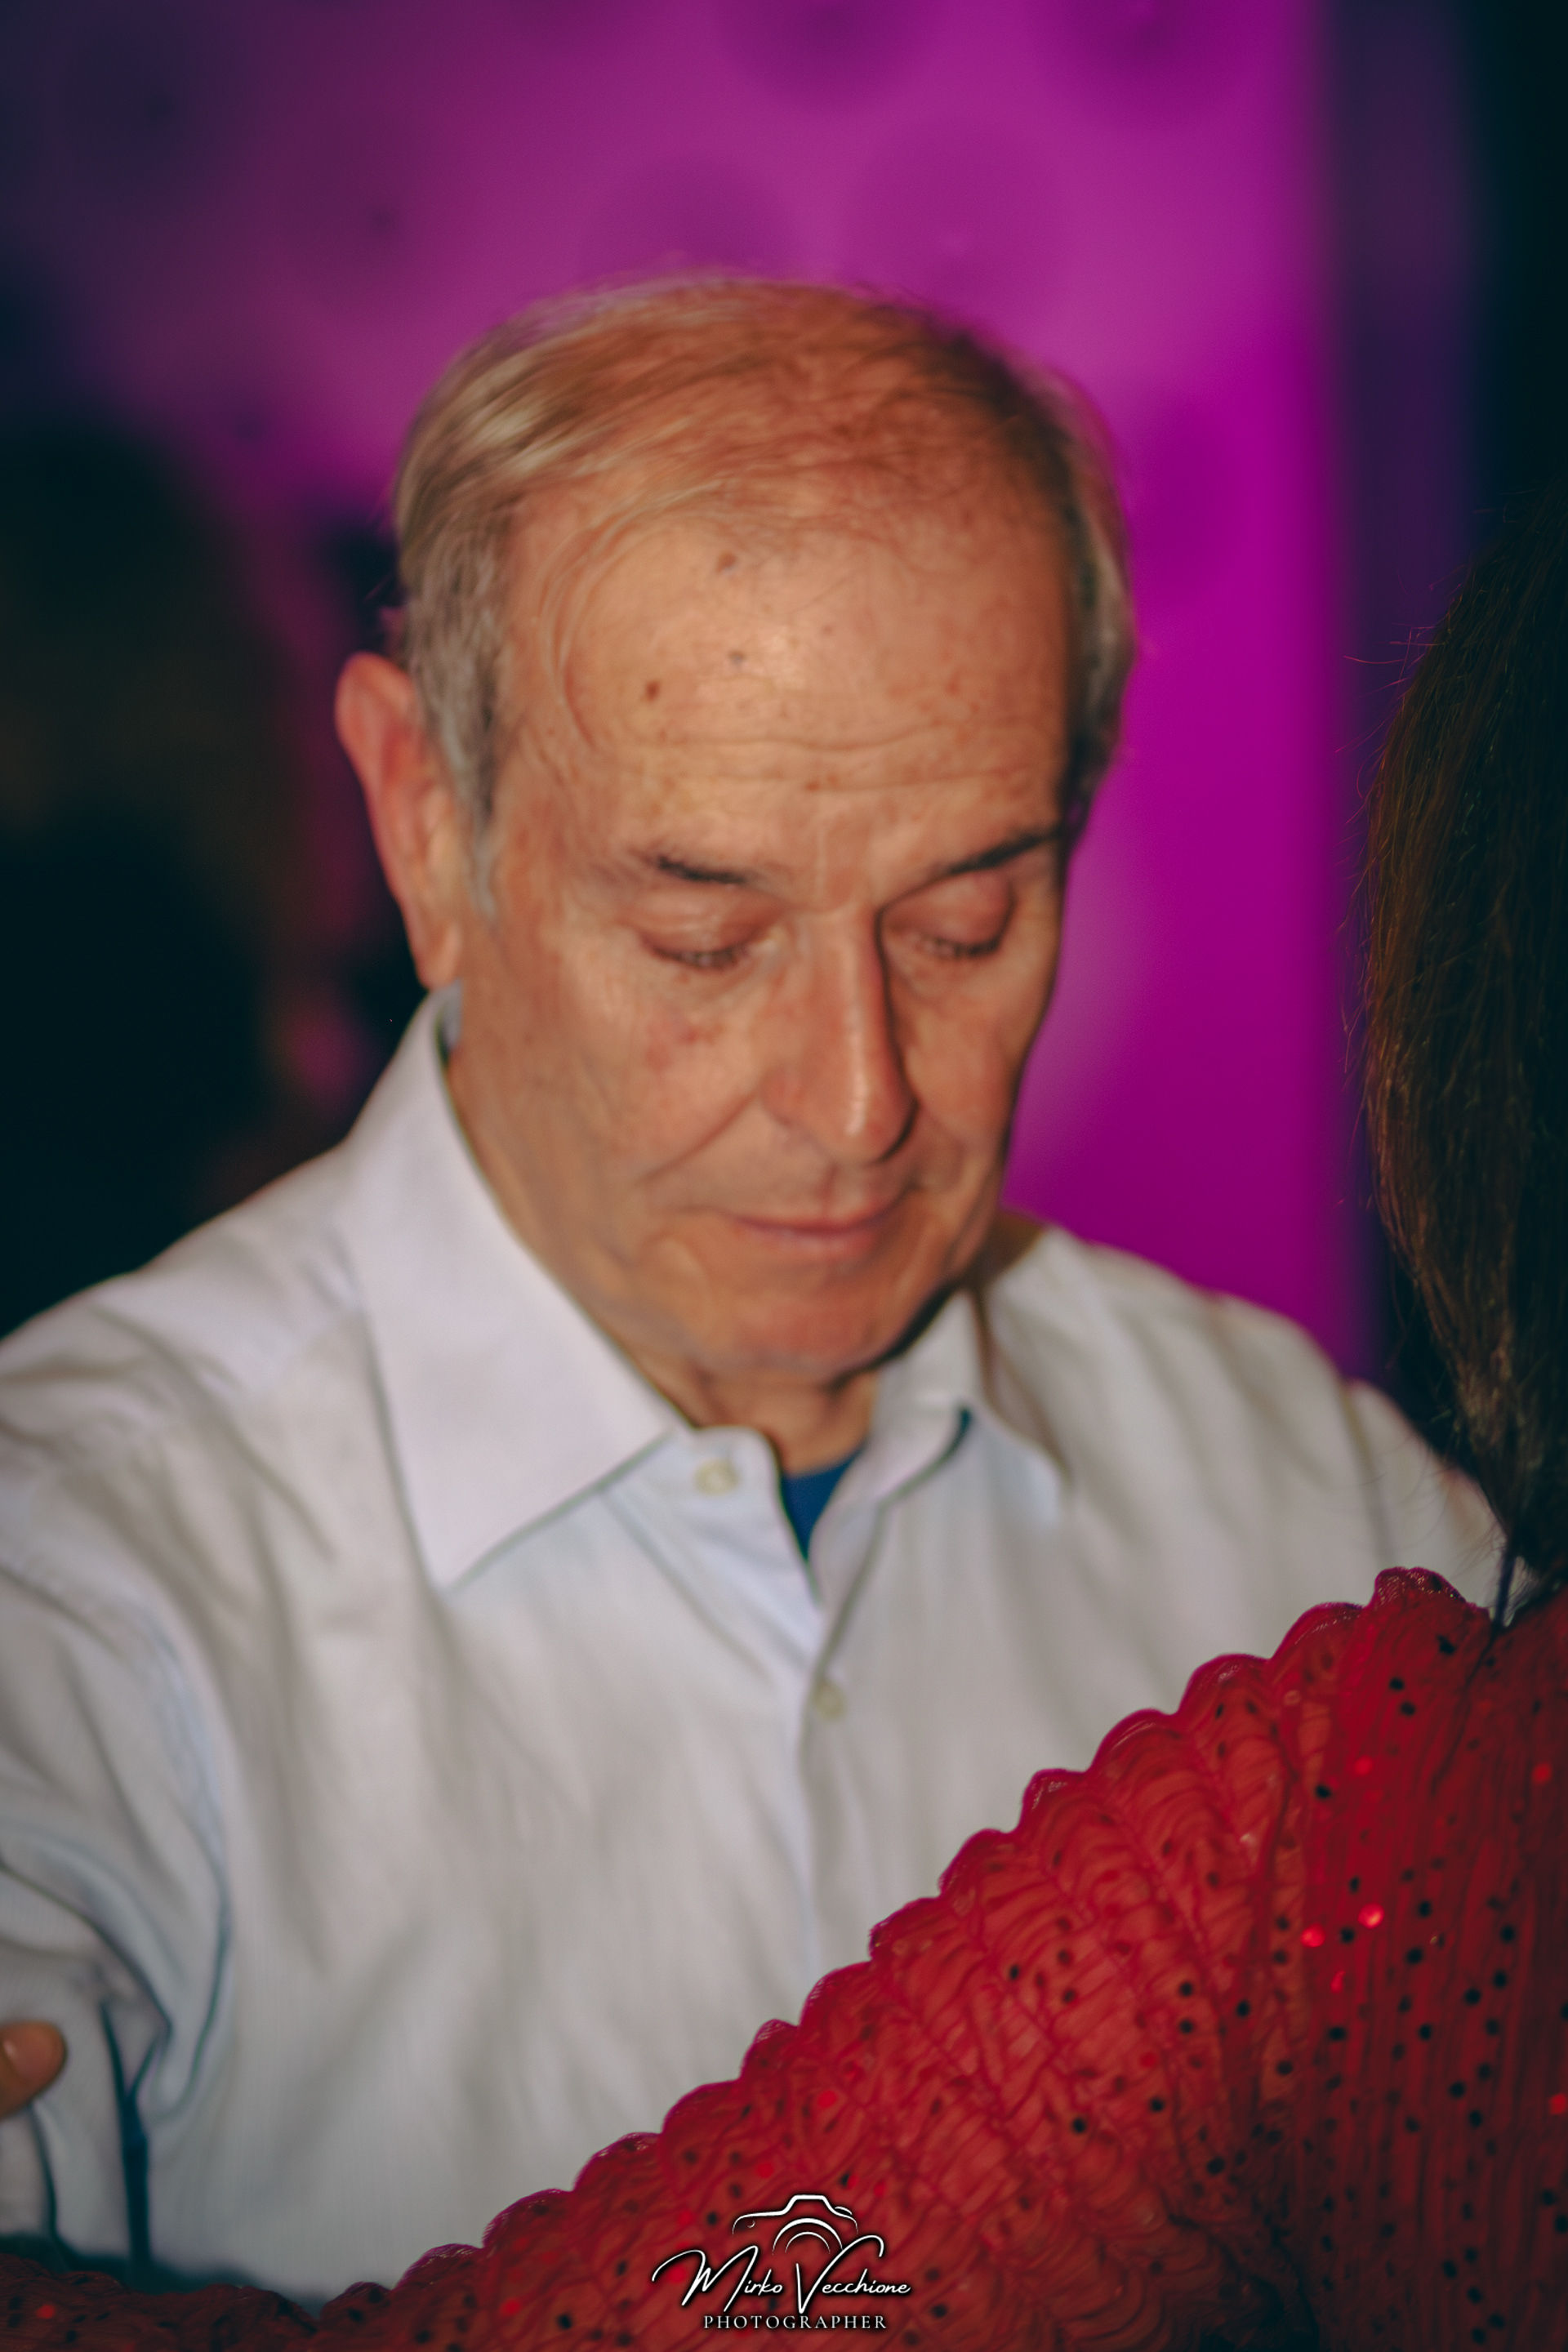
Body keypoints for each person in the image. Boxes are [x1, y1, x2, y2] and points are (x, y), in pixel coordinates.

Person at [0, 282, 1490, 2302]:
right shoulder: (69, 1585)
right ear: (427, 828)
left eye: (966, 920)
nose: (859, 1102)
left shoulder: (1307, 1511)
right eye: (703, 940)